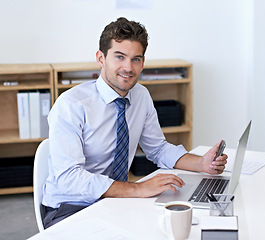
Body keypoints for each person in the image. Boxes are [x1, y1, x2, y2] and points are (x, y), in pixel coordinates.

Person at [41, 17, 228, 229]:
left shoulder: (140, 96)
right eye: (119, 57)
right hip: (70, 207)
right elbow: (69, 179)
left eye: (135, 59)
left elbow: (157, 148)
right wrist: (137, 189)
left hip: (114, 201)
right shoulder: (71, 105)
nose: (128, 67)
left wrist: (201, 164)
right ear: (101, 58)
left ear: (143, 63)